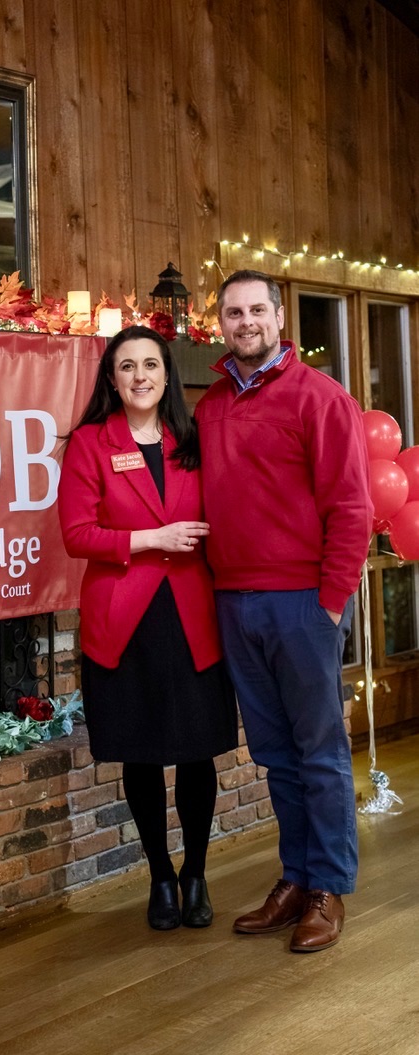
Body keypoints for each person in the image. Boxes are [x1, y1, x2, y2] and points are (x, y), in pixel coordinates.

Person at [195, 269, 373, 953]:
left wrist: (330, 605)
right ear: (221, 323)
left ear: (278, 317)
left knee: (319, 753)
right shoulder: (211, 406)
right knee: (275, 755)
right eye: (233, 312)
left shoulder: (321, 398)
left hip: (303, 604)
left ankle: (328, 887)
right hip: (235, 604)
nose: (245, 322)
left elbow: (351, 508)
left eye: (256, 310)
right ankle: (295, 878)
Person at [58, 325, 237, 931]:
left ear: (167, 375)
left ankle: (196, 874)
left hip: (193, 615)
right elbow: (76, 534)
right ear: (112, 379)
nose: (140, 376)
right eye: (128, 366)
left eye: (151, 365)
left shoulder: (194, 440)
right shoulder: (90, 443)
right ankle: (160, 875)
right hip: (125, 620)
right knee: (141, 755)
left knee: (196, 753)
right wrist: (152, 538)